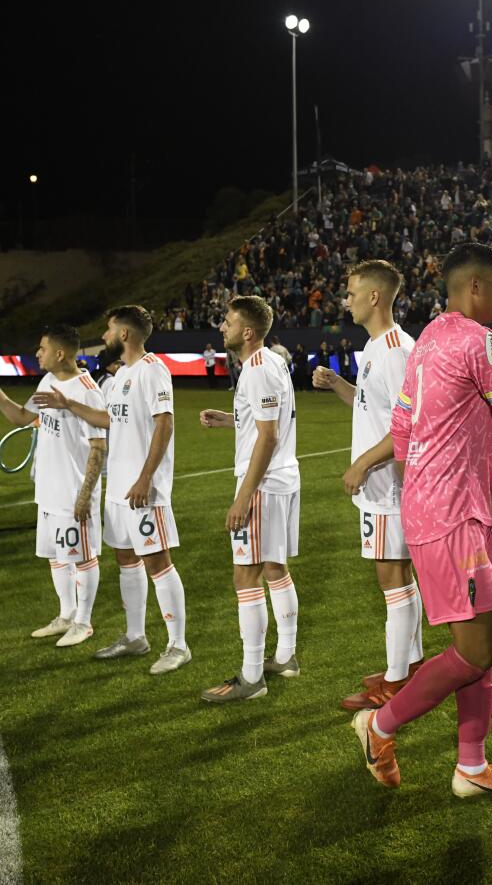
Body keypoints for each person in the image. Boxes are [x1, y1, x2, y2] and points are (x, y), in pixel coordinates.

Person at [350, 242, 492, 800]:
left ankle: (472, 768)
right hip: (454, 514)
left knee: (487, 636)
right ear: (475, 287)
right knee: (475, 649)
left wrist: (424, 487)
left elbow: (403, 426)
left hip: (440, 508)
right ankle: (379, 728)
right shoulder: (482, 341)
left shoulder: (430, 336)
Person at [43, 306, 188, 673]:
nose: (104, 336)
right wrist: (68, 403)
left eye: (109, 329)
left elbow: (165, 425)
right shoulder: (122, 374)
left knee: (158, 562)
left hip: (143, 490)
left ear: (124, 334)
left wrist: (145, 478)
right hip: (117, 489)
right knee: (126, 559)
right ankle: (135, 636)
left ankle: (177, 644)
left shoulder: (153, 370)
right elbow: (108, 420)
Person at [313, 260, 424, 711]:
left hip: (389, 486)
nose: (347, 300)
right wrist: (340, 384)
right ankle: (409, 665)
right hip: (384, 486)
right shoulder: (377, 346)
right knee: (399, 577)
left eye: (353, 292)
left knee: (391, 579)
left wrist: (361, 464)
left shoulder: (396, 349)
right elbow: (375, 408)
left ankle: (396, 681)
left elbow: (409, 425)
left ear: (375, 297)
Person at [198, 296, 302, 701]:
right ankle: (287, 657)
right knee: (275, 567)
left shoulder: (257, 369)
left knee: (246, 575)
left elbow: (270, 435)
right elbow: (269, 423)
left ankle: (251, 677)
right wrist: (230, 419)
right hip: (283, 479)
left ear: (247, 331)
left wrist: (243, 497)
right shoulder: (273, 362)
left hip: (263, 484)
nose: (221, 327)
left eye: (227, 322)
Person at [0, 325, 106, 647]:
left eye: (42, 348)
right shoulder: (48, 380)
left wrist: (85, 494)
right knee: (56, 555)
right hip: (48, 489)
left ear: (60, 353)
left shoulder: (87, 391)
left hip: (74, 491)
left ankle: (84, 622)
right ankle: (66, 615)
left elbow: (99, 446)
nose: (38, 353)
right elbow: (23, 417)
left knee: (82, 557)